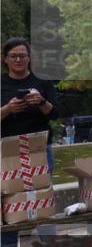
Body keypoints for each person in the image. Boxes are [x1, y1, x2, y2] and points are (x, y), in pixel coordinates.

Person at [1, 38, 59, 174]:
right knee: (11, 192)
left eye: (22, 56)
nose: (18, 60)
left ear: (29, 58)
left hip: (39, 146)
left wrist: (41, 102)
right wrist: (8, 108)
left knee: (41, 191)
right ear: (5, 59)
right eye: (13, 56)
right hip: (7, 147)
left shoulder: (43, 80)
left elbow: (55, 114)